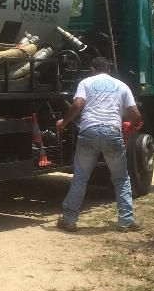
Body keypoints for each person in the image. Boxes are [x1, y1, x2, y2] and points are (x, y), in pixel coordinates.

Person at [55, 56, 142, 232]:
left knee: (80, 177)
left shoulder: (86, 82)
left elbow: (78, 104)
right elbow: (136, 115)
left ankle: (69, 220)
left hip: (89, 131)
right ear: (109, 70)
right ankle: (126, 221)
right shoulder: (122, 85)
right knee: (121, 178)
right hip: (112, 132)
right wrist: (130, 126)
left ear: (92, 70)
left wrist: (63, 122)